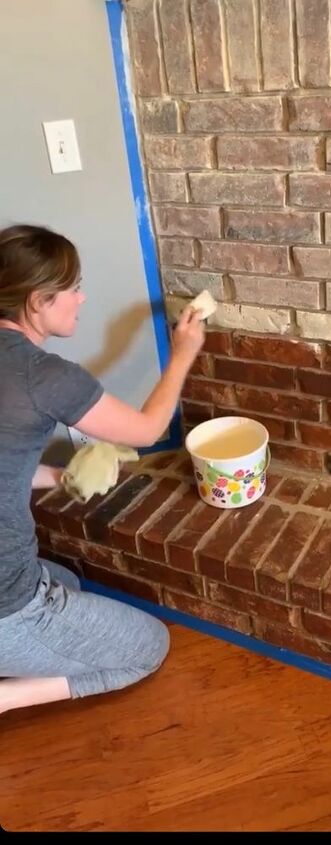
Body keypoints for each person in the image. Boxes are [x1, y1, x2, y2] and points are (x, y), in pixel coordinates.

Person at [0, 224, 205, 715]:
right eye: (73, 288)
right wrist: (182, 354)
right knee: (148, 647)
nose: (82, 297)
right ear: (38, 301)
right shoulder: (41, 376)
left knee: (66, 581)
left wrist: (59, 478)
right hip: (6, 602)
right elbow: (148, 429)